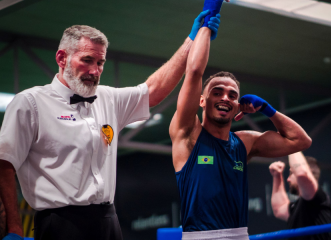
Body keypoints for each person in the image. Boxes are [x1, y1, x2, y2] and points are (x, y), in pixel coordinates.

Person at [0, 11, 222, 240]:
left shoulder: (107, 98)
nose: (95, 71)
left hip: (108, 220)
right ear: (61, 58)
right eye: (87, 60)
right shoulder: (30, 103)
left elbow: (154, 90)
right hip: (59, 224)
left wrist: (193, 38)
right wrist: (14, 227)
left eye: (100, 62)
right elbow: (4, 163)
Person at [169, 3, 312, 239]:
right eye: (217, 92)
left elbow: (300, 141)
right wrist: (210, 15)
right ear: (202, 101)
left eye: (232, 95)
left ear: (238, 106)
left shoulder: (244, 143)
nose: (225, 97)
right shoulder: (188, 134)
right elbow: (194, 72)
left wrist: (268, 110)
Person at [269, 152, 331, 240]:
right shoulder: (299, 205)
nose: (288, 179)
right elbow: (279, 209)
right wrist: (277, 176)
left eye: (291, 173)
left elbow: (301, 173)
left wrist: (292, 145)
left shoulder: (317, 198)